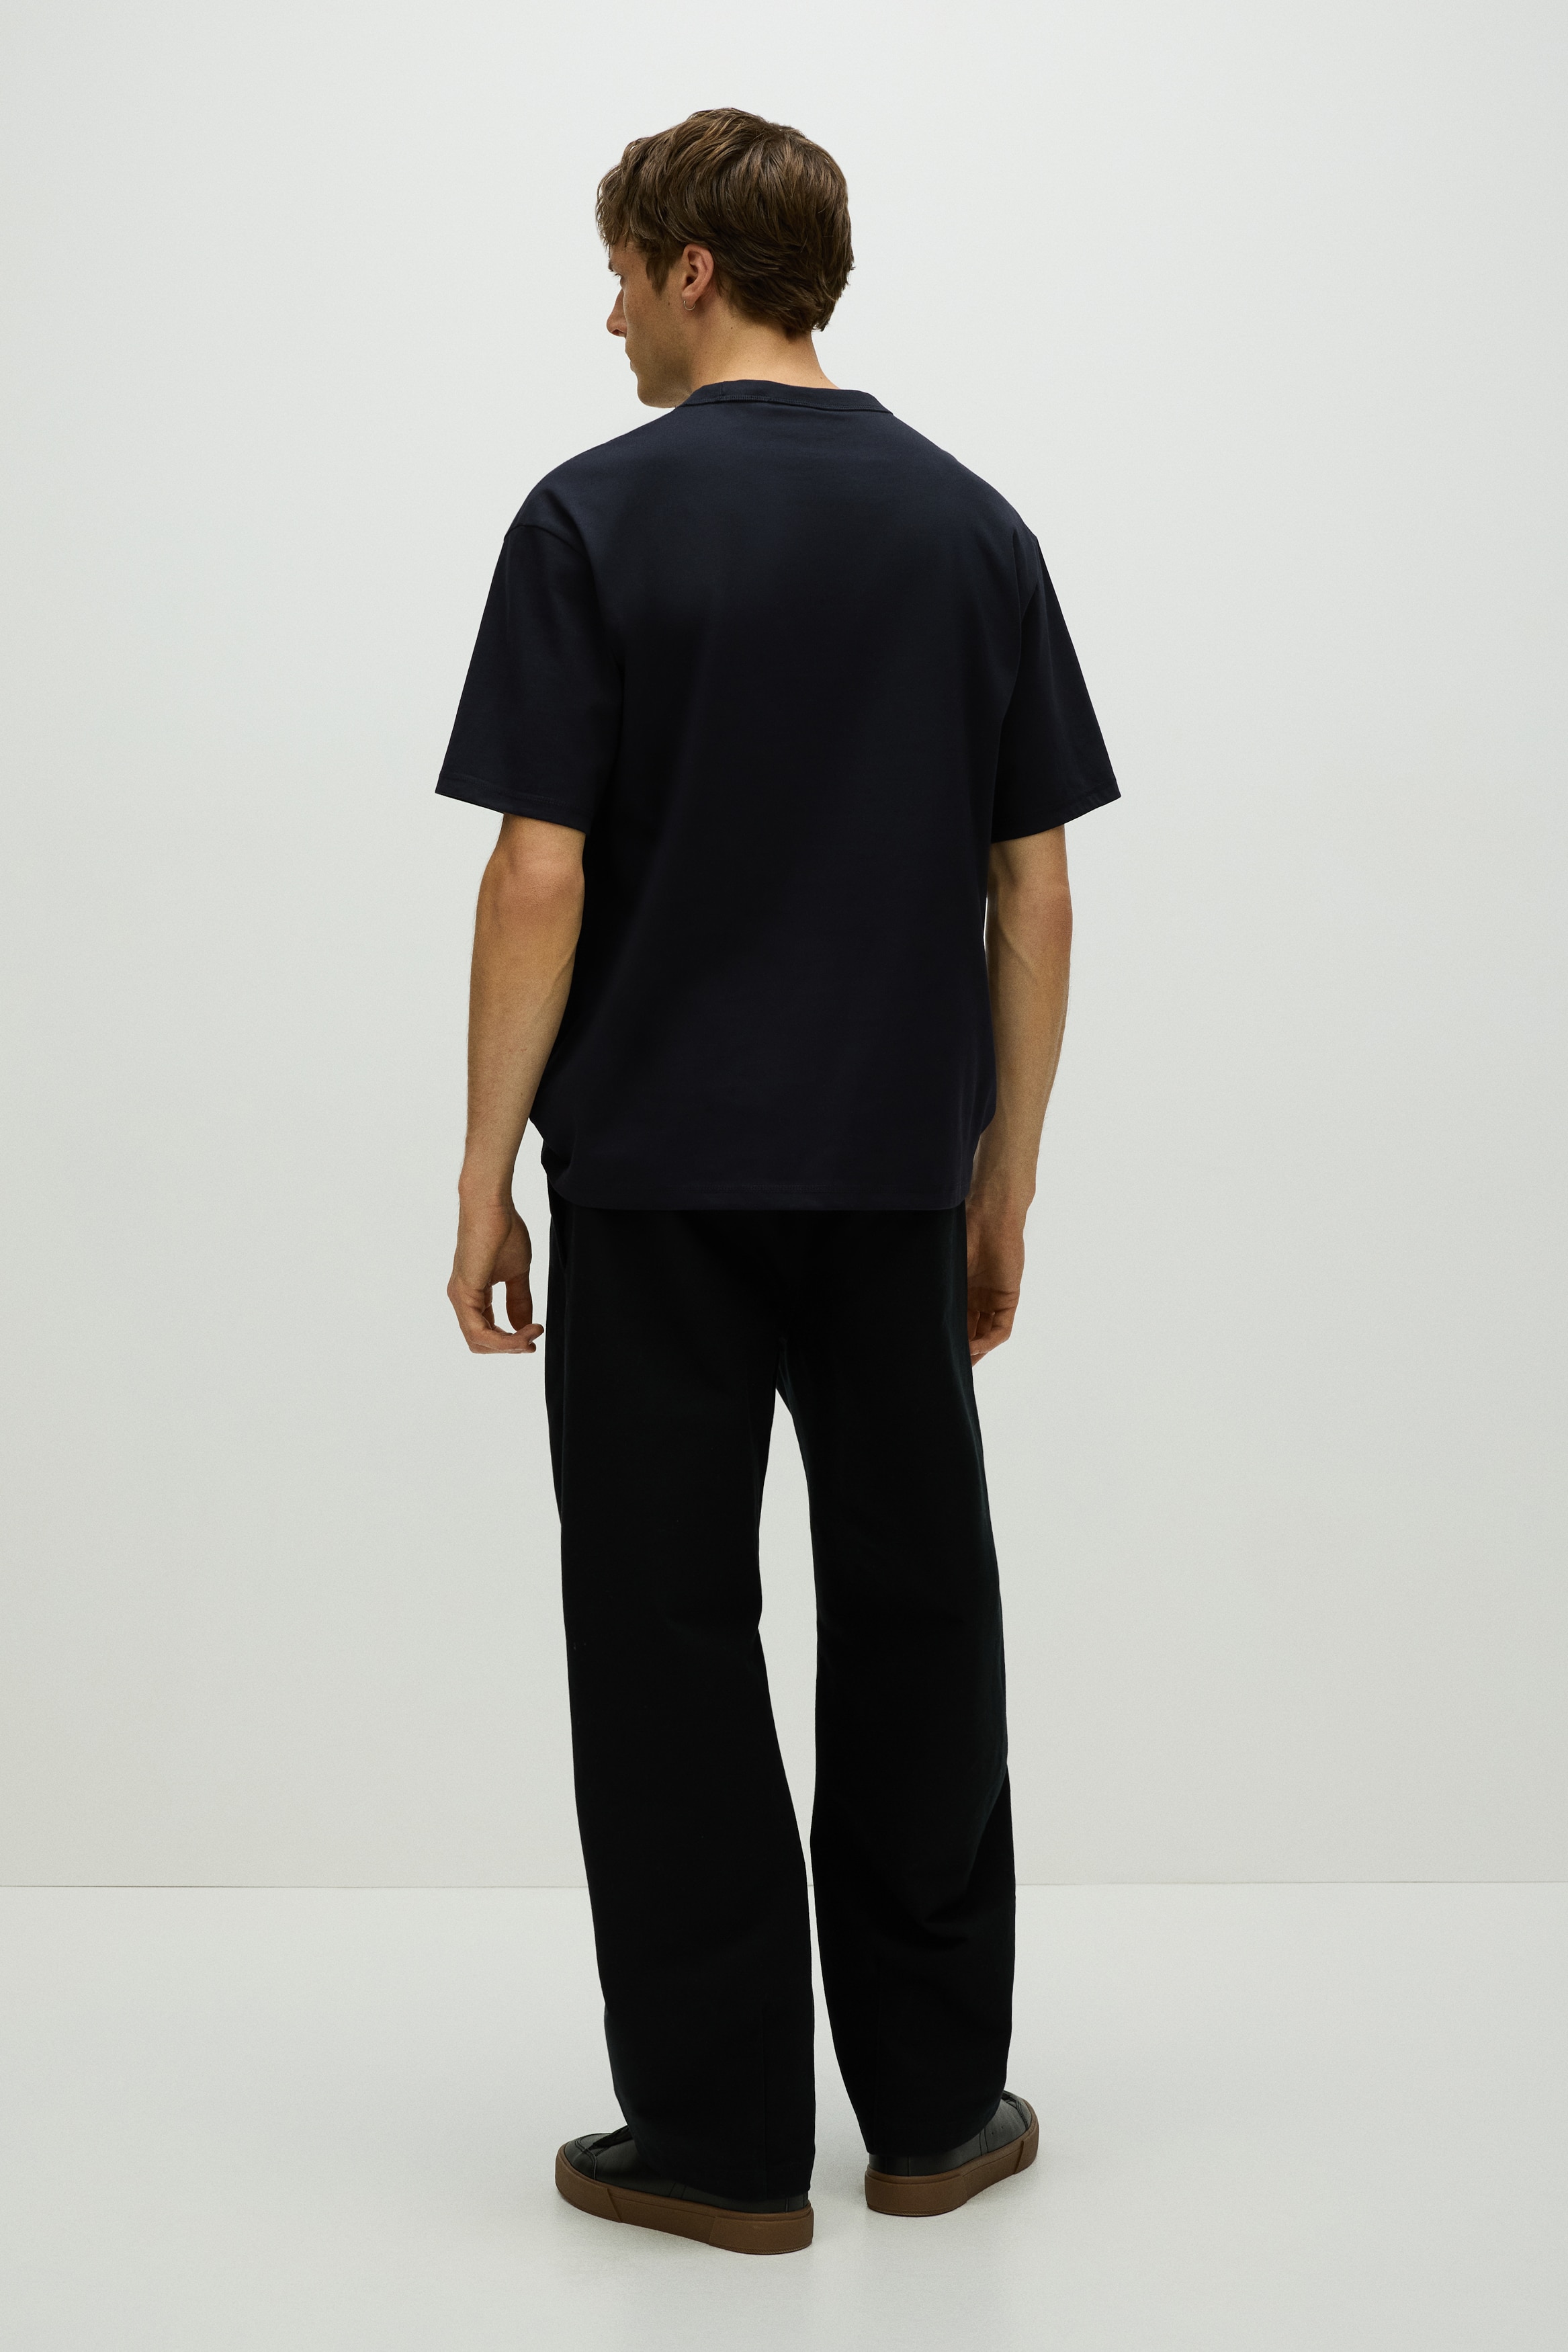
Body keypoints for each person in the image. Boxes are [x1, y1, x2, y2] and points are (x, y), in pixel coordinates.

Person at [436, 107, 1119, 2257]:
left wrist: (484, 1169)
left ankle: (720, 2137)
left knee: (663, 1626)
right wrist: (1007, 1175)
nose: (609, 318)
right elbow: (1036, 889)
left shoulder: (591, 516)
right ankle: (932, 2109)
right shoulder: (972, 527)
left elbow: (537, 871)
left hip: (653, 1174)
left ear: (694, 269)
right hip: (895, 1172)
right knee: (922, 1610)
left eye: (619, 273)